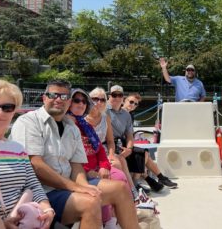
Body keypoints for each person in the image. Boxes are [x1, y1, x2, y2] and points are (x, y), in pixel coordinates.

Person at [10, 80, 139, 229]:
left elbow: (76, 165)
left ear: (68, 101)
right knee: (90, 203)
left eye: (64, 97)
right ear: (44, 98)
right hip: (42, 193)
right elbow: (35, 165)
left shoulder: (72, 128)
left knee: (120, 188)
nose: (58, 99)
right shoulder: (29, 122)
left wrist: (84, 186)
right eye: (53, 95)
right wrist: (76, 187)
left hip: (67, 188)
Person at [0, 79, 54, 228]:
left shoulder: (18, 149)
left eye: (7, 107)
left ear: (14, 111)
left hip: (21, 222)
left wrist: (47, 209)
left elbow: (33, 184)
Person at [68, 88, 134, 228]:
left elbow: (99, 148)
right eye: (76, 100)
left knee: (120, 176)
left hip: (98, 163)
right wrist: (89, 171)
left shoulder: (85, 125)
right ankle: (107, 220)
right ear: (69, 103)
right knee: (108, 182)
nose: (81, 104)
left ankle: (114, 218)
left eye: (83, 101)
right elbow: (71, 157)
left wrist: (104, 165)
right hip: (82, 170)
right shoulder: (68, 124)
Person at [107, 85, 178, 190]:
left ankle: (156, 178)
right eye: (131, 102)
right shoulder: (106, 111)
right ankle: (147, 179)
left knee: (143, 153)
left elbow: (129, 135)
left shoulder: (127, 115)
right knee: (141, 154)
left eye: (135, 104)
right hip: (113, 144)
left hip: (123, 144)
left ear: (122, 98)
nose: (133, 105)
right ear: (125, 100)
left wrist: (130, 148)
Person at [87, 87, 139, 202]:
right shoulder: (82, 118)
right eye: (95, 99)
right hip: (88, 153)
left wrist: (111, 155)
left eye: (102, 100)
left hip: (103, 149)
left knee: (120, 160)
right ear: (89, 100)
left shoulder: (106, 117)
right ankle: (126, 194)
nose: (98, 102)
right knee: (118, 163)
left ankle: (130, 192)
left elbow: (110, 141)